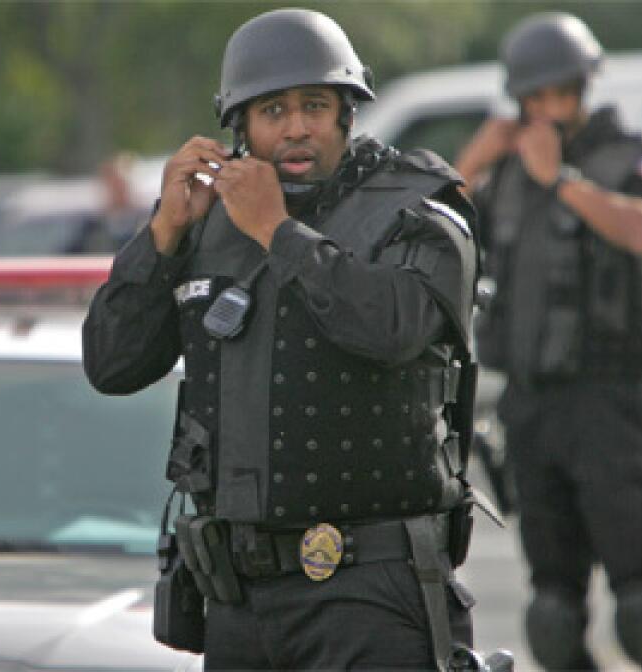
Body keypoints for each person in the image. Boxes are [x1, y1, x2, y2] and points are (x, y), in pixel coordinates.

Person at [83, 8, 483, 670]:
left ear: (346, 114)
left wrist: (280, 233)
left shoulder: (417, 211)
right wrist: (163, 235)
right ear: (241, 126)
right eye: (273, 110)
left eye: (315, 105)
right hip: (240, 599)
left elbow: (393, 328)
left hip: (372, 594)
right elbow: (112, 363)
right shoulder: (209, 224)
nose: (296, 126)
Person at [455, 12, 642, 671]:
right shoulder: (504, 175)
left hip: (610, 406)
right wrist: (474, 161)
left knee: (641, 614)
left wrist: (560, 178)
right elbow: (428, 227)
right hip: (532, 409)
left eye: (561, 94)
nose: (549, 109)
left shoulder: (628, 157)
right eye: (535, 98)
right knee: (551, 617)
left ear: (584, 90)